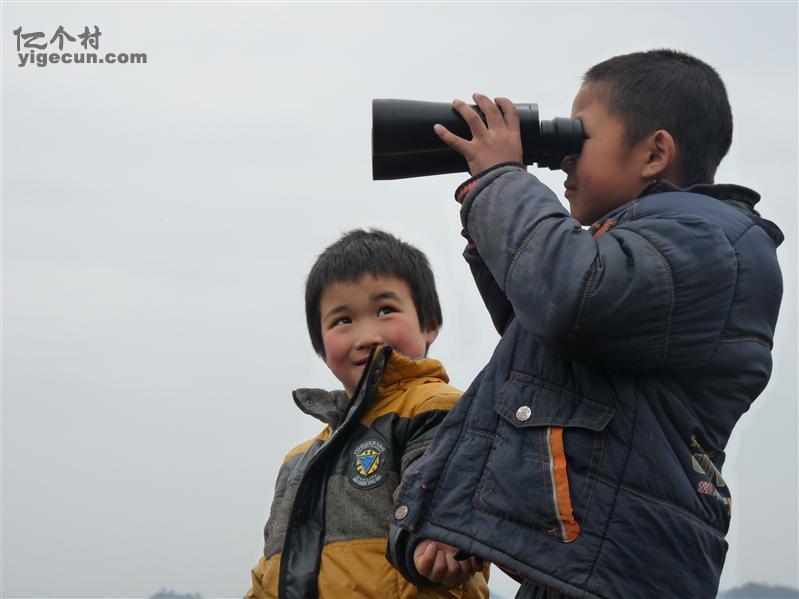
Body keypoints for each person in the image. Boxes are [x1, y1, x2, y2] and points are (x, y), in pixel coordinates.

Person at [386, 49, 784, 599]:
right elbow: (540, 338)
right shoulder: (632, 253)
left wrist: (502, 180)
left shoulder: (710, 241)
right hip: (582, 561)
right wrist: (462, 522)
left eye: (581, 138)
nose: (563, 159)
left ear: (654, 154)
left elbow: (569, 299)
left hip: (625, 571)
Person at [245, 229, 489, 599]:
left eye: (386, 310)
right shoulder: (297, 461)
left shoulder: (437, 408)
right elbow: (271, 565)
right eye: (343, 320)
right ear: (322, 346)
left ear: (431, 325)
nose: (367, 335)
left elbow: (446, 500)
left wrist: (435, 547)